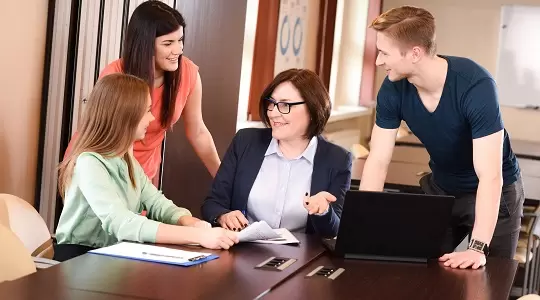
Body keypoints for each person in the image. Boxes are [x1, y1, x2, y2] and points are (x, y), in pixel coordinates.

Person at [361, 6, 524, 269]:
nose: (378, 61)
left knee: (488, 278)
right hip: (443, 188)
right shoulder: (392, 89)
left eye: (384, 53)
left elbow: (490, 176)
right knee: (421, 268)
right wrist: (364, 224)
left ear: (415, 53)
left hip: (495, 193)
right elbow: (378, 161)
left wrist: (477, 247)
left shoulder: (475, 85)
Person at [54, 74, 238, 262]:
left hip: (111, 255)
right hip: (78, 259)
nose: (151, 118)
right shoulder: (89, 163)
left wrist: (190, 222)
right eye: (147, 111)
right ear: (125, 116)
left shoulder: (126, 160)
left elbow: (156, 203)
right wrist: (197, 236)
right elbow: (122, 222)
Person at [65, 0, 220, 185]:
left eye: (180, 40)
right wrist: (72, 177)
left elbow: (198, 132)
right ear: (145, 44)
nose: (178, 49)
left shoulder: (188, 73)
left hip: (145, 174)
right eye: (168, 43)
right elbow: (93, 134)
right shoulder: (115, 75)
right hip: (106, 171)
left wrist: (223, 180)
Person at [201, 69, 353, 238]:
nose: (273, 113)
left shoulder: (337, 160)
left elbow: (335, 230)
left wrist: (323, 211)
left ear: (312, 108)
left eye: (285, 105)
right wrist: (223, 216)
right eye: (272, 103)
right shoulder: (245, 142)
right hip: (243, 251)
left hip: (301, 258)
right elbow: (212, 203)